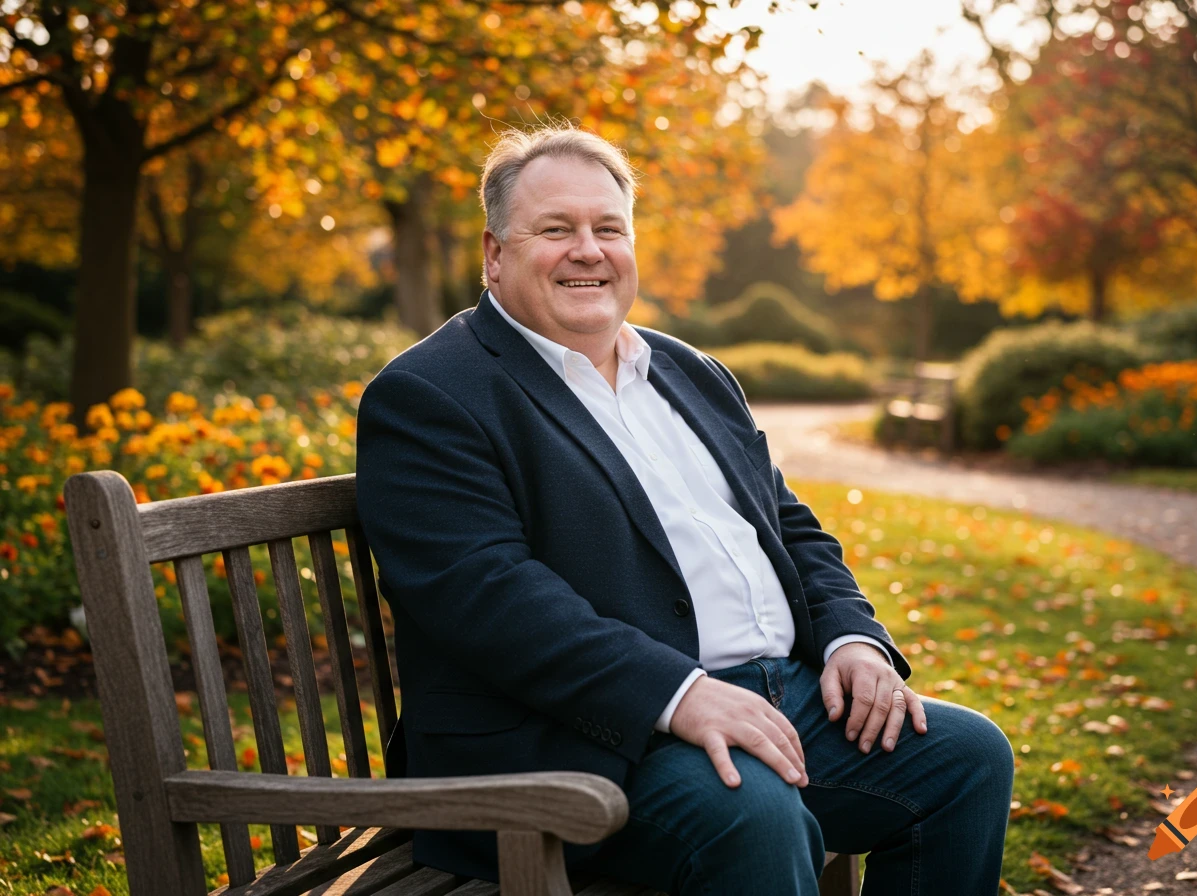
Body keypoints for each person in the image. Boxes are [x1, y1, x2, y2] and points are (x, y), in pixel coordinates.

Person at [355, 124, 1014, 896]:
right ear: (495, 255)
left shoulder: (686, 370)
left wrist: (851, 638)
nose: (588, 250)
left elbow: (789, 524)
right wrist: (678, 693)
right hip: (579, 739)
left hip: (776, 695)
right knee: (756, 815)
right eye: (555, 230)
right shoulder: (431, 394)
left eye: (609, 228)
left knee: (967, 759)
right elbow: (488, 595)